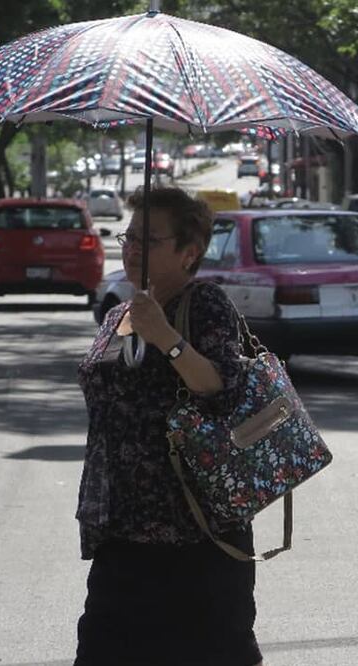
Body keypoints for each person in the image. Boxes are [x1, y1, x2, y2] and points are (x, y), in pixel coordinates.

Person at [74, 186, 263, 666]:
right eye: (129, 237)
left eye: (148, 240)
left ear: (188, 252)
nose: (132, 248)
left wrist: (166, 337)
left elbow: (220, 386)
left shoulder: (206, 306)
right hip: (125, 538)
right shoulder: (121, 313)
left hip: (199, 543)